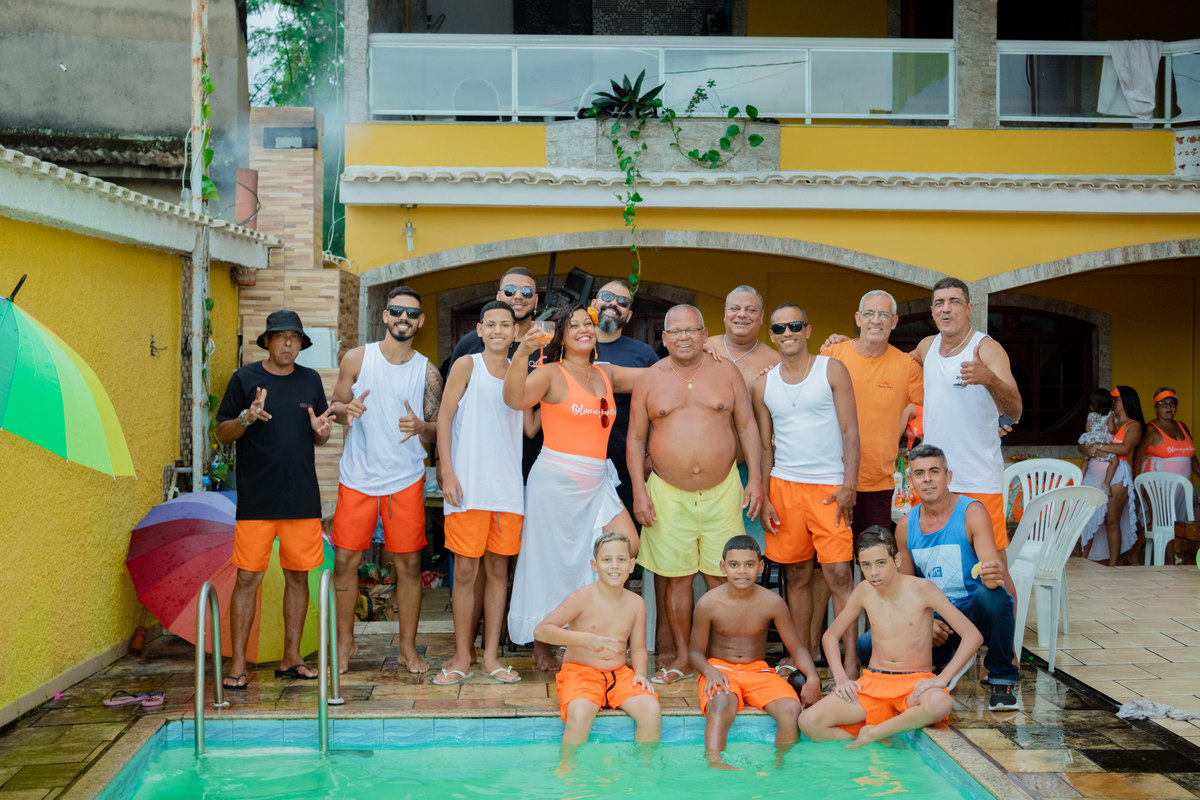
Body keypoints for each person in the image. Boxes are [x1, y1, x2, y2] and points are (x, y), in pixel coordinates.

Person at [504, 303, 643, 673]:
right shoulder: (551, 374)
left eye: (588, 323)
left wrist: (705, 352)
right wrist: (522, 352)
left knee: (627, 545)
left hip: (597, 480)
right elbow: (515, 399)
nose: (584, 329)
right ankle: (542, 644)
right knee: (549, 563)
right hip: (556, 481)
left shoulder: (605, 373)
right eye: (574, 325)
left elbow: (655, 376)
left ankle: (593, 630)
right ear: (562, 336)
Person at [628, 304, 762, 685]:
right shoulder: (650, 379)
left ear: (705, 335)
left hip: (723, 490)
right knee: (677, 578)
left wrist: (755, 479)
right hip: (667, 493)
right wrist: (638, 491)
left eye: (691, 330)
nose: (684, 337)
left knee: (723, 575)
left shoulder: (726, 372)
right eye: (676, 332)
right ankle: (684, 656)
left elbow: (747, 426)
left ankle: (721, 655)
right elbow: (636, 439)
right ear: (665, 338)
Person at [214, 310, 335, 688]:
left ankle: (291, 658)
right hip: (257, 499)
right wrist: (246, 418)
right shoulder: (244, 378)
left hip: (301, 497)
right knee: (248, 578)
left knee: (298, 578)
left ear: (301, 344)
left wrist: (321, 432)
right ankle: (237, 664)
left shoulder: (310, 380)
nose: (288, 343)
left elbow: (319, 434)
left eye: (294, 338)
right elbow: (221, 433)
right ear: (267, 341)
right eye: (280, 336)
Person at [328, 286, 443, 675]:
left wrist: (421, 426)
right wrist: (347, 409)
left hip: (405, 479)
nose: (403, 318)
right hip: (358, 476)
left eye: (411, 313)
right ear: (384, 315)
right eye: (397, 311)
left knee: (408, 565)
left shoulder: (427, 371)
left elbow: (439, 428)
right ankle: (345, 643)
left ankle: (407, 649)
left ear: (420, 321)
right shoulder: (357, 359)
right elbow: (334, 407)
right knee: (345, 560)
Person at [855, 444, 1020, 712]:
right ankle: (937, 661)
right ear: (910, 481)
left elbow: (992, 574)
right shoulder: (905, 526)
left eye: (934, 471)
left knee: (993, 597)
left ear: (948, 476)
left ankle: (1002, 679)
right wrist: (925, 622)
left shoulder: (971, 512)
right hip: (936, 620)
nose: (927, 479)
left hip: (971, 612)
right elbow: (903, 591)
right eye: (919, 474)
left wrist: (993, 574)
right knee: (865, 645)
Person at [752, 303, 861, 677]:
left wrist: (849, 485)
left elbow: (851, 431)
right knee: (796, 576)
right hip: (784, 486)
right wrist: (766, 496)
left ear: (808, 330)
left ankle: (850, 658)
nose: (788, 333)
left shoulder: (831, 370)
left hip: (829, 486)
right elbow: (764, 447)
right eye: (780, 328)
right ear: (772, 336)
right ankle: (800, 656)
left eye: (795, 326)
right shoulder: (764, 385)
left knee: (839, 574)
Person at [798, 526, 981, 748]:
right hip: (874, 683)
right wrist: (841, 678)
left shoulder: (922, 589)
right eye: (866, 565)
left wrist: (942, 679)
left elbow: (972, 636)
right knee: (808, 722)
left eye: (880, 563)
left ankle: (873, 733)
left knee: (939, 704)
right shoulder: (864, 591)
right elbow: (830, 636)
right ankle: (880, 739)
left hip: (914, 685)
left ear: (897, 560)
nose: (873, 572)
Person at [434, 301, 525, 685]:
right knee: (466, 571)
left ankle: (490, 657)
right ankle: (461, 656)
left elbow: (530, 425)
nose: (499, 330)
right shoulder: (466, 365)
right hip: (468, 487)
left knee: (498, 572)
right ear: (480, 329)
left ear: (516, 331)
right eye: (492, 324)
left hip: (507, 490)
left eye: (506, 324)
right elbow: (444, 417)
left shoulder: (521, 371)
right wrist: (448, 472)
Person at [689, 535, 820, 769]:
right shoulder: (708, 603)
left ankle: (782, 765)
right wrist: (709, 671)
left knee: (791, 709)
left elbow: (797, 647)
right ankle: (715, 761)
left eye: (749, 564)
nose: (742, 571)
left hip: (758, 671)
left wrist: (812, 677)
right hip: (719, 668)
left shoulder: (772, 602)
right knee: (720, 704)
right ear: (723, 567)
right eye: (734, 565)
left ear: (760, 567)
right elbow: (695, 654)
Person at [913, 278, 1022, 558]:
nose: (946, 309)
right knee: (934, 559)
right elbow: (890, 363)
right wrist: (848, 345)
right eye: (939, 303)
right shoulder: (926, 346)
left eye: (954, 302)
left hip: (978, 478)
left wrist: (989, 380)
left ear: (969, 308)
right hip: (935, 478)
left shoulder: (986, 348)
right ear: (932, 310)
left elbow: (1015, 409)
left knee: (993, 564)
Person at [535, 532, 661, 764]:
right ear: (595, 565)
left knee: (651, 709)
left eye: (621, 559)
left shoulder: (636, 603)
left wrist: (641, 673)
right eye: (607, 560)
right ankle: (568, 770)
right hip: (580, 672)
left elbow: (638, 649)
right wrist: (584, 639)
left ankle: (645, 770)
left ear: (631, 565)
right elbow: (542, 631)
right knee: (580, 712)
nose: (614, 566)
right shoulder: (582, 597)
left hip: (619, 673)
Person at [822, 290, 924, 542]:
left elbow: (934, 409)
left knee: (874, 556)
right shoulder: (833, 355)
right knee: (830, 559)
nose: (876, 320)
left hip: (877, 482)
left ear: (894, 321)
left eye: (883, 314)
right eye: (869, 313)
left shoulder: (907, 366)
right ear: (858, 318)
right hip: (830, 477)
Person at [593, 279, 660, 519]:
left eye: (622, 302)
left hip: (629, 465)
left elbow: (660, 407)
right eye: (607, 297)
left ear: (629, 316)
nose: (613, 303)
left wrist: (650, 454)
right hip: (580, 462)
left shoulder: (644, 354)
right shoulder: (570, 347)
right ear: (593, 303)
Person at [1079, 386, 1145, 566]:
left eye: (1116, 399)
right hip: (1093, 472)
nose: (1112, 402)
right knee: (1087, 518)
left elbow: (1125, 448)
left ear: (1126, 401)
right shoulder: (1105, 417)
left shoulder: (1134, 425)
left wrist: (1098, 446)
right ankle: (1083, 561)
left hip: (1117, 474)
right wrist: (1088, 448)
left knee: (1111, 520)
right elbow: (1083, 445)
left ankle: (1112, 565)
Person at [448, 267, 539, 363]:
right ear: (498, 297)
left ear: (536, 300)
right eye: (510, 290)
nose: (518, 296)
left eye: (527, 292)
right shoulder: (470, 342)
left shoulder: (547, 342)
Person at [1135, 387, 1200, 486]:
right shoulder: (1150, 429)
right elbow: (1137, 456)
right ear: (1156, 407)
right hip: (1156, 486)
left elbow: (1191, 457)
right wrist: (1137, 483)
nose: (1169, 407)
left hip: (1182, 486)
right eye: (1163, 404)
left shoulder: (1182, 426)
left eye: (1172, 403)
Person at [1078, 388, 1119, 496]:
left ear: (1093, 405)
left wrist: (1091, 439)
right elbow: (1111, 429)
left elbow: (1088, 429)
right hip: (1102, 443)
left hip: (1090, 442)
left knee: (1086, 461)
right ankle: (1106, 482)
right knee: (1115, 461)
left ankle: (1078, 480)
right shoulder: (1110, 415)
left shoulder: (1090, 415)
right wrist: (1115, 431)